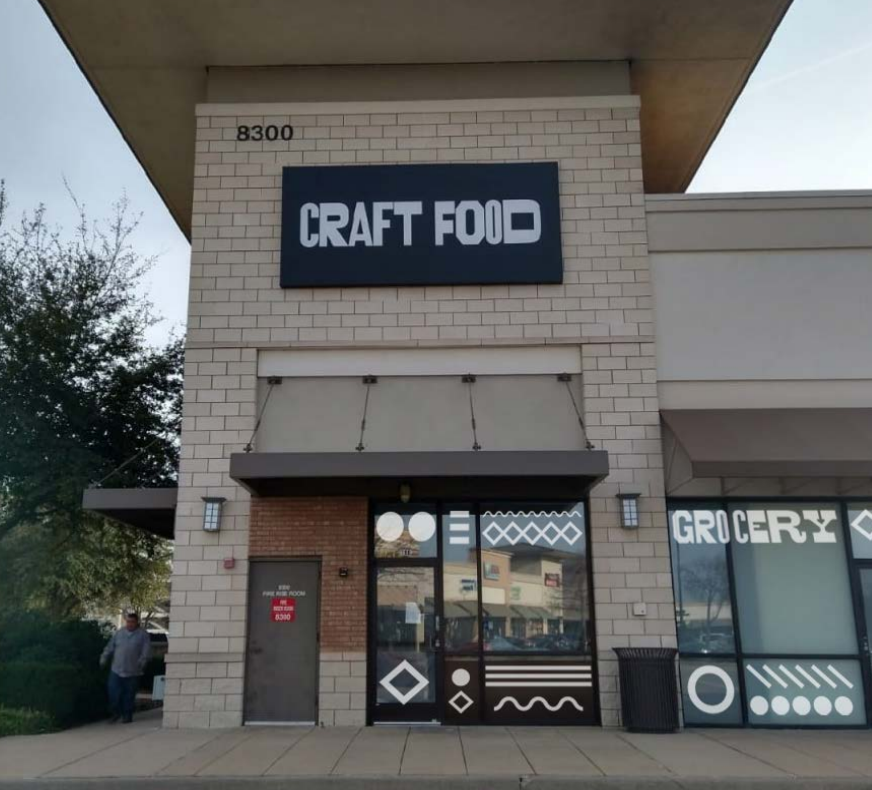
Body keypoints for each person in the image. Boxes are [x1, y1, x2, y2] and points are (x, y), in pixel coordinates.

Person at [100, 612, 150, 723]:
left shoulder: (143, 635)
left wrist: (142, 662)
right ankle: (115, 712)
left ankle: (127, 715)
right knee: (113, 692)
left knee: (129, 695)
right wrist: (104, 657)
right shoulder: (119, 633)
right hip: (116, 670)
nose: (130, 624)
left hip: (133, 671)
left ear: (137, 622)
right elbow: (110, 647)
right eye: (128, 622)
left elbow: (146, 651)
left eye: (132, 622)